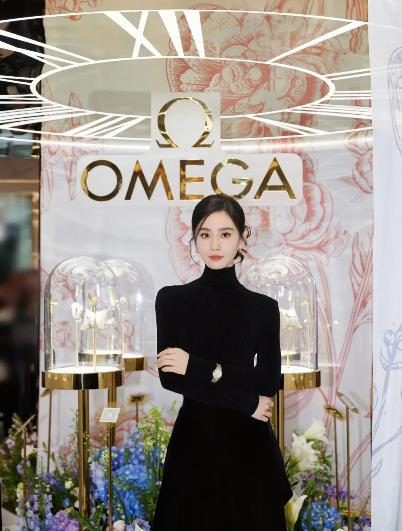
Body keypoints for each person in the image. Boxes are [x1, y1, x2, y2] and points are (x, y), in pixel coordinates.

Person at [153, 194, 293, 531]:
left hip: (249, 447)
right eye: (205, 234)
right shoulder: (172, 300)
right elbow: (171, 378)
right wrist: (245, 401)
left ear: (242, 239)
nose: (215, 244)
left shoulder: (263, 308)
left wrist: (198, 367)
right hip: (195, 443)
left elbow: (267, 380)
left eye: (225, 234)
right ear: (194, 239)